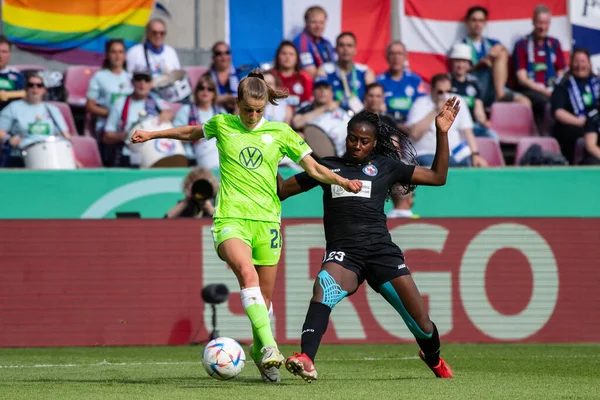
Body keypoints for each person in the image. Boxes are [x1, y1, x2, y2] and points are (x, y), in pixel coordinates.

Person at [130, 69, 362, 383]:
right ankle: (269, 347)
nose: (252, 116)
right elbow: (191, 133)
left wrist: (341, 181)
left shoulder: (280, 132)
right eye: (247, 109)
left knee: (263, 302)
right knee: (246, 273)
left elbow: (313, 167)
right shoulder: (223, 124)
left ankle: (257, 351)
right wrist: (153, 135)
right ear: (237, 104)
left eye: (259, 110)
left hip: (267, 221)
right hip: (231, 219)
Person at [276, 98, 461, 382]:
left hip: (381, 253)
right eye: (353, 139)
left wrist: (442, 132)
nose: (357, 145)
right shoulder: (325, 168)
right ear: (345, 137)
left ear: (374, 143)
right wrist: (264, 152)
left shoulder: (386, 166)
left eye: (364, 141)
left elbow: (438, 177)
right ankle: (306, 359)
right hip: (344, 254)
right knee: (324, 288)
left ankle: (433, 358)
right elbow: (282, 190)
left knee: (423, 325)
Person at [551, 49, 599, 164]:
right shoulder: (563, 83)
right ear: (571, 63)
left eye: (583, 61)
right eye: (576, 61)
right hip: (574, 125)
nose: (580, 65)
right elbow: (558, 112)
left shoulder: (596, 81)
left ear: (589, 64)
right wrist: (580, 122)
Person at [86, 39, 133, 137]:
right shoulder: (99, 76)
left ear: (125, 55)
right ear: (107, 55)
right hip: (107, 125)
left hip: (128, 124)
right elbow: (90, 106)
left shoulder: (131, 77)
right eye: (114, 52)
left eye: (120, 52)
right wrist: (112, 114)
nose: (117, 56)